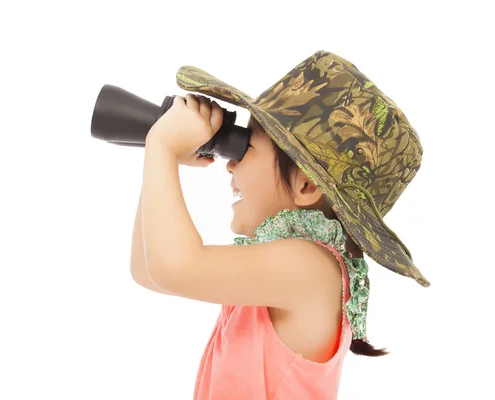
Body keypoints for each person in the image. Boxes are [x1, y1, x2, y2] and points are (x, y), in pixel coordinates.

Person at [130, 50, 430, 399]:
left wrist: (163, 147)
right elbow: (148, 270)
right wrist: (160, 160)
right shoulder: (288, 268)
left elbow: (173, 267)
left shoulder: (309, 267)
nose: (230, 165)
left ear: (306, 185)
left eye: (246, 148)